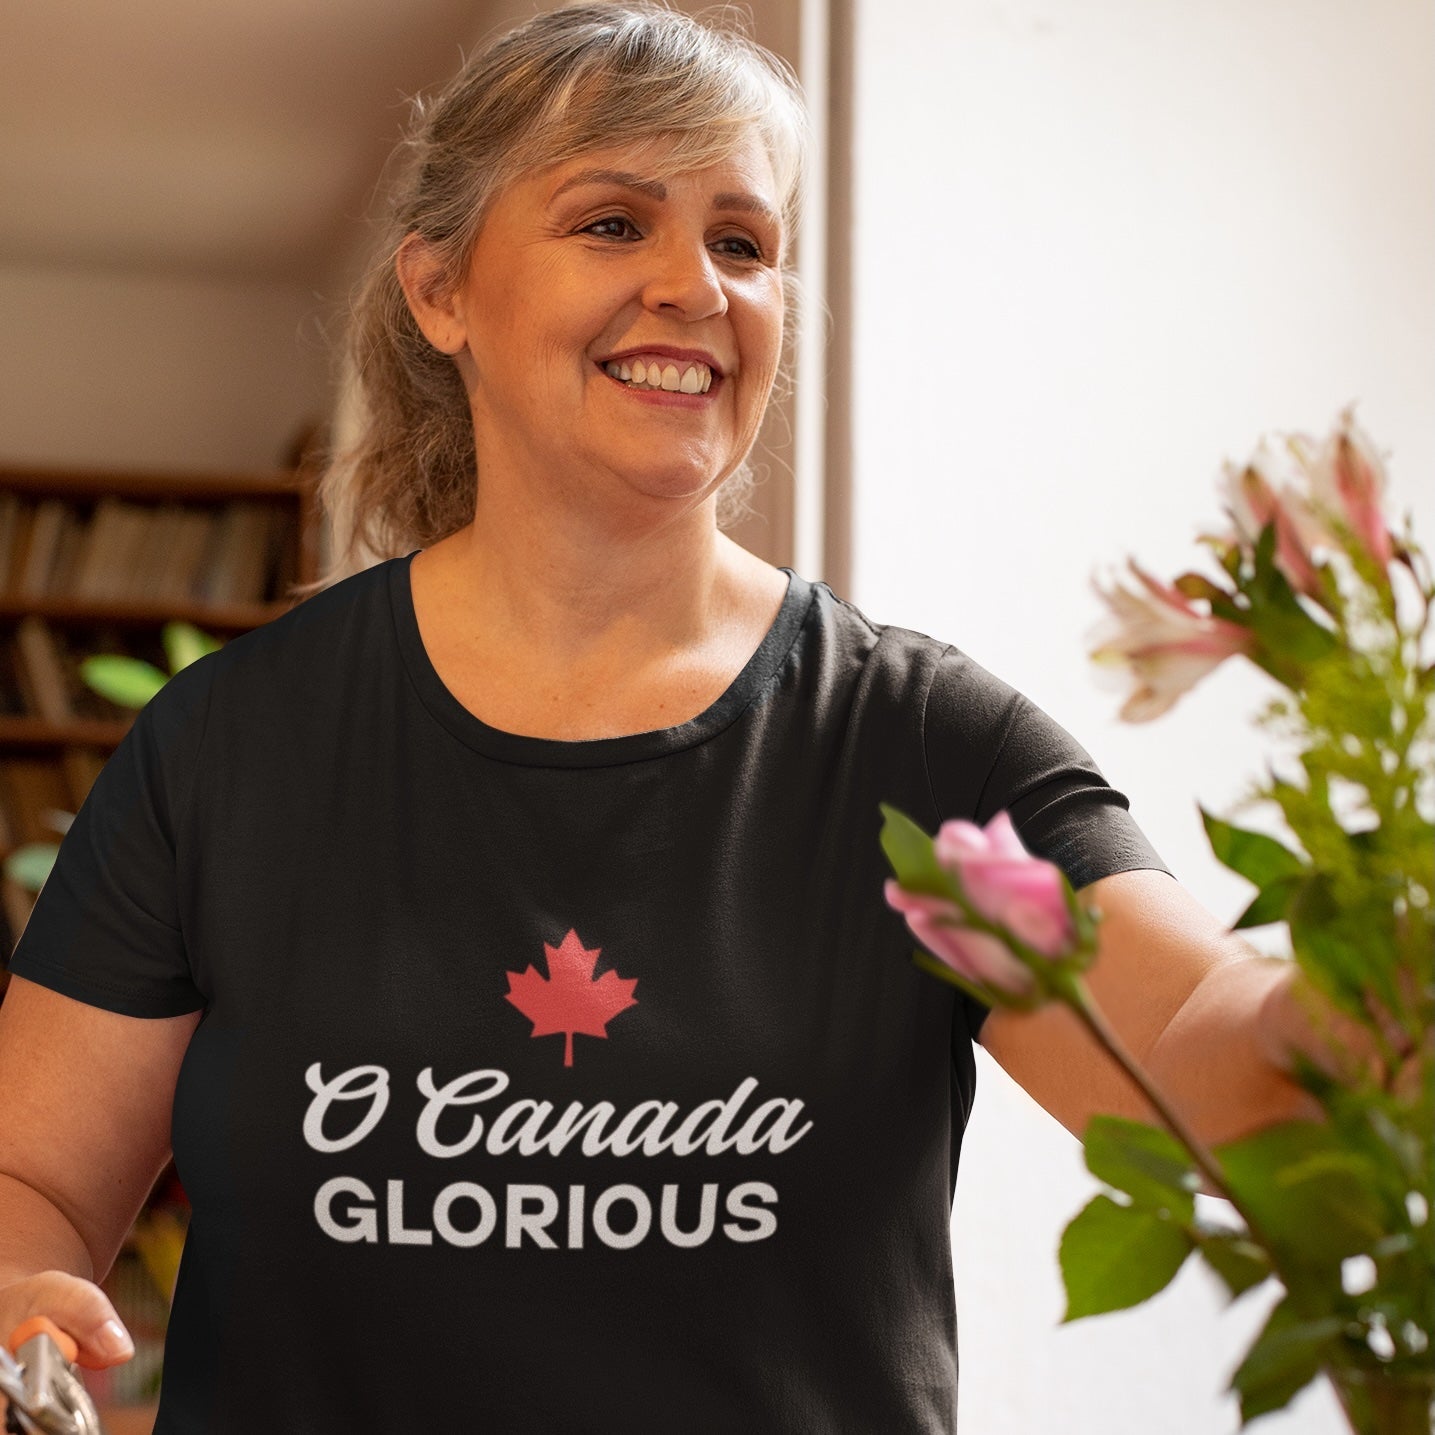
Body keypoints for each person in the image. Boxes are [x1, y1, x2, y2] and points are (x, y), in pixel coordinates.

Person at [0, 4, 1375, 1431]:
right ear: (440, 292)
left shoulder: (920, 746)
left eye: (741, 242)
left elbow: (1211, 1053)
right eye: (612, 224)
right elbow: (28, 1180)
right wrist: (19, 1293)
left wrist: (1383, 980)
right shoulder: (230, 748)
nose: (696, 287)